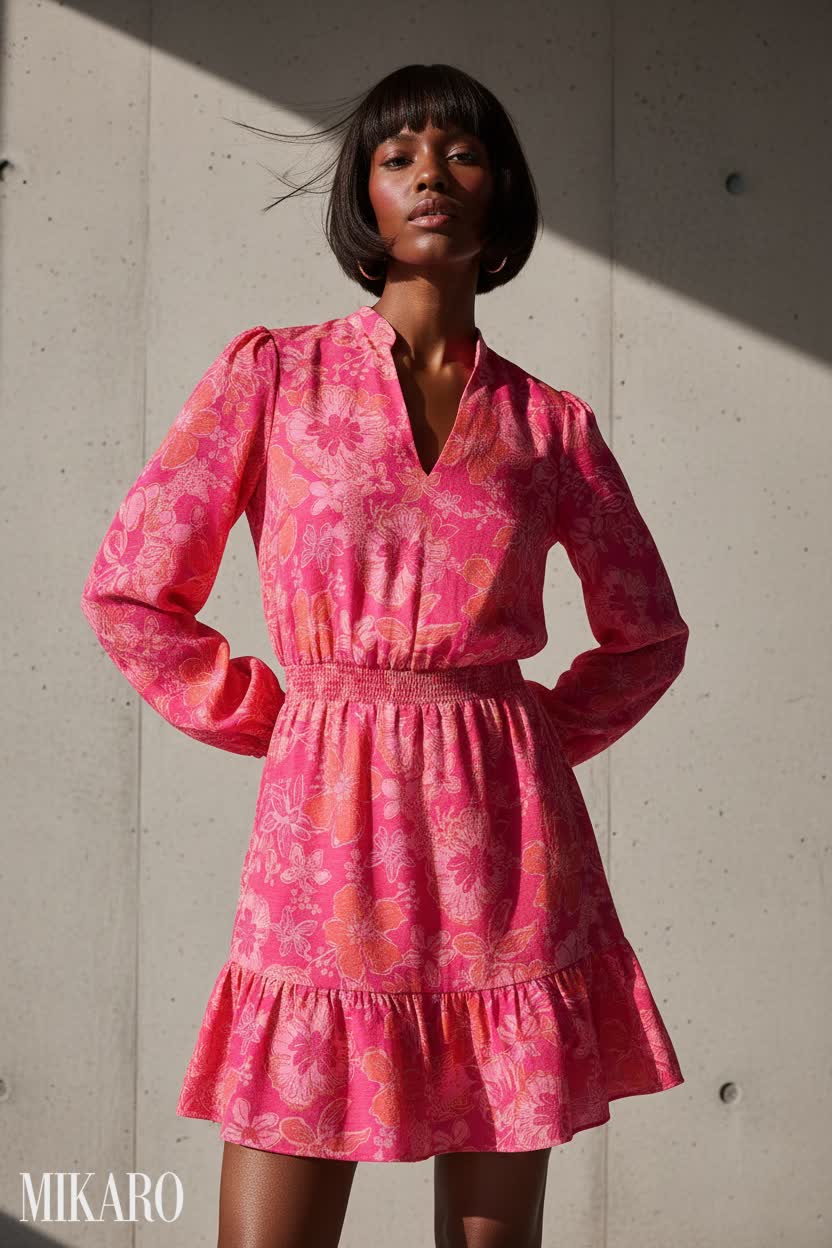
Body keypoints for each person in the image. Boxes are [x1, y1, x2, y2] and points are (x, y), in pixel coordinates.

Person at [80, 63, 690, 1248]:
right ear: (364, 190)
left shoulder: (547, 423)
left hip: (504, 844)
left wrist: (520, 738)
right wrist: (280, 714)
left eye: (460, 153)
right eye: (398, 153)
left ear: (497, 190)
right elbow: (133, 591)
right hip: (327, 820)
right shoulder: (275, 377)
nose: (429, 176)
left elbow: (646, 631)